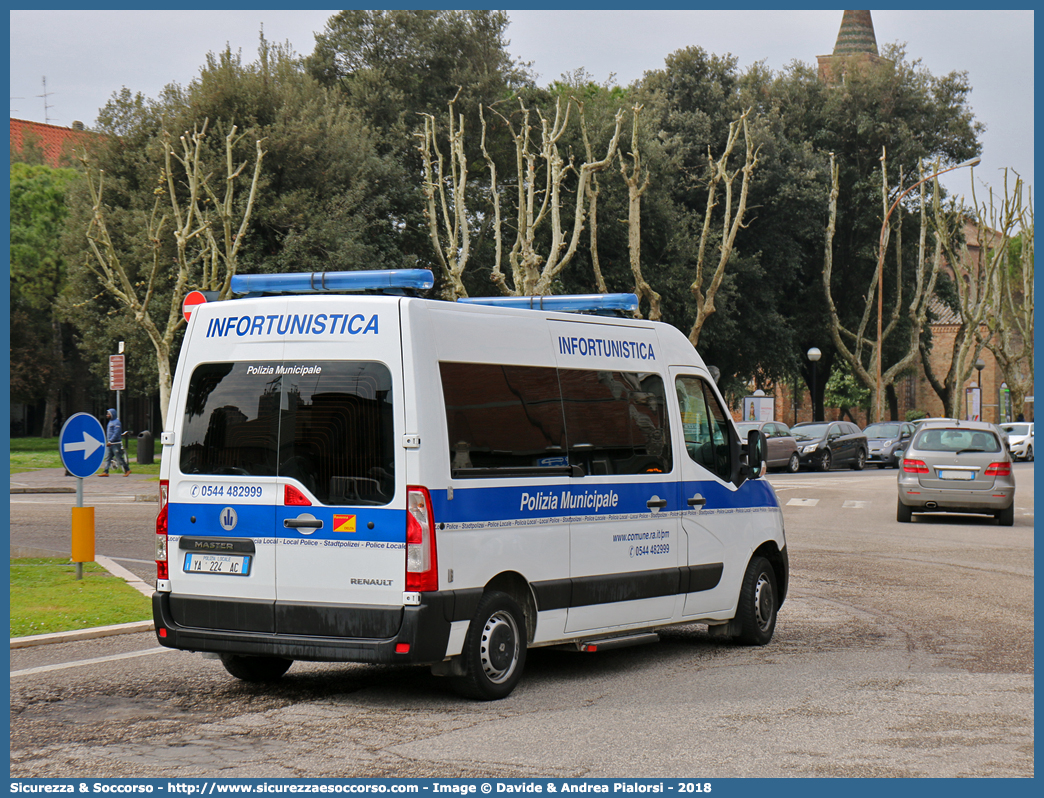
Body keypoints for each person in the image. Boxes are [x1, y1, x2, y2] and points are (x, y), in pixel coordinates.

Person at [101, 408, 131, 477]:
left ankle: (127, 469)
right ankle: (106, 471)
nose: (107, 415)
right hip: (110, 444)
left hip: (115, 444)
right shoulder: (110, 422)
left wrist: (111, 441)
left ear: (112, 414)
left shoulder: (117, 422)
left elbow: (116, 433)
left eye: (108, 414)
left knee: (119, 458)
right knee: (108, 457)